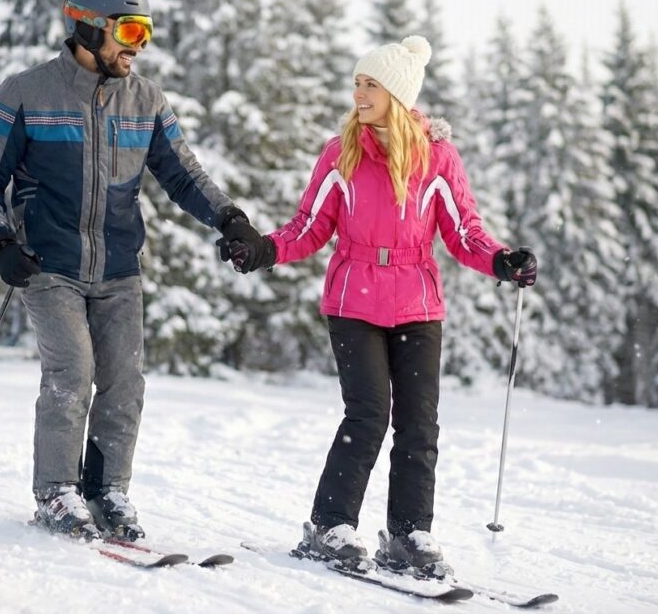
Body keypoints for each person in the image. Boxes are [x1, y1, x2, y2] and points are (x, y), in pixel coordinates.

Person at [0, 0, 267, 541]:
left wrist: (230, 218)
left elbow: (182, 173)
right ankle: (57, 492)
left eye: (147, 34)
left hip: (120, 267)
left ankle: (107, 492)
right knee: (72, 372)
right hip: (47, 263)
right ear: (87, 25)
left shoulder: (146, 99)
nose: (138, 46)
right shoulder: (26, 92)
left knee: (125, 382)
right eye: (129, 30)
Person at [219, 35, 537, 575]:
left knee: (419, 425)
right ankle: (330, 527)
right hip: (353, 298)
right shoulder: (341, 152)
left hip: (417, 301)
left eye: (370, 85)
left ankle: (409, 535)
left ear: (397, 92)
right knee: (368, 414)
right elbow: (310, 226)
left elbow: (464, 232)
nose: (359, 93)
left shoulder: (438, 159)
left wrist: (502, 260)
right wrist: (264, 248)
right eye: (357, 83)